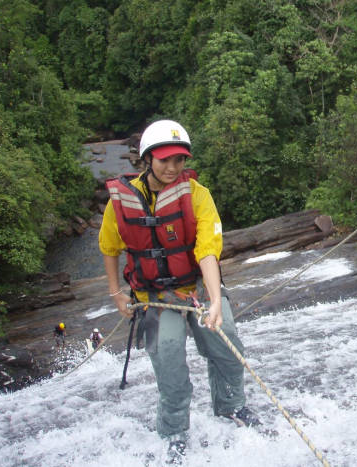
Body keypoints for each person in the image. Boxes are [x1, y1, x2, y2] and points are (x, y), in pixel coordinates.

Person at [98, 119, 258, 462]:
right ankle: (173, 431)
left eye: (179, 160)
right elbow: (109, 247)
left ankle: (231, 408)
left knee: (227, 346)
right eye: (164, 160)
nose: (172, 167)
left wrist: (216, 301)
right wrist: (116, 293)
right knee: (170, 362)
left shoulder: (198, 195)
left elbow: (208, 250)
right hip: (153, 297)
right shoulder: (121, 203)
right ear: (147, 159)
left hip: (197, 288)